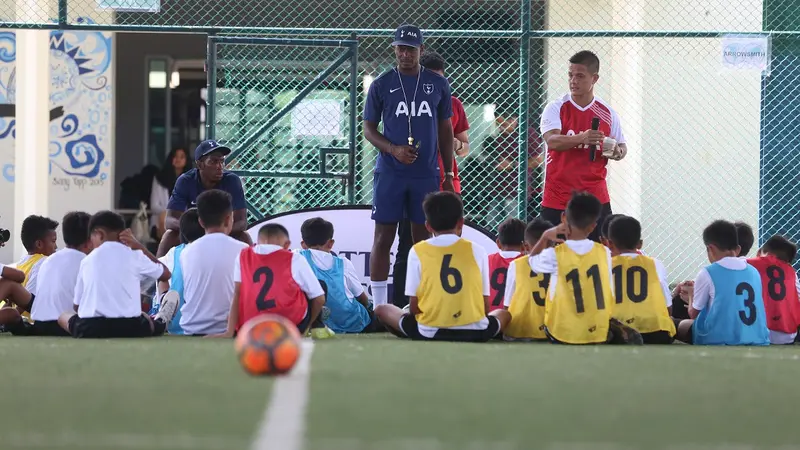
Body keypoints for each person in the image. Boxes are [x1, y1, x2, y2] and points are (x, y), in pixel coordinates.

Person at [363, 24, 455, 310]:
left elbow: (445, 130)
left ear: (421, 50)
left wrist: (449, 173)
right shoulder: (381, 83)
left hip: (425, 173)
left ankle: (420, 303)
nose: (405, 53)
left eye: (411, 49)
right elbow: (368, 128)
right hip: (390, 171)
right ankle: (379, 307)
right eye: (401, 48)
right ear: (394, 49)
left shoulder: (438, 84)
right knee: (383, 237)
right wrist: (393, 149)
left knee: (422, 240)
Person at [374, 192, 511, 342]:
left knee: (382, 309)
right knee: (504, 314)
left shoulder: (418, 250)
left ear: (428, 226)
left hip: (429, 331)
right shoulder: (478, 250)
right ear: (461, 223)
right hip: (477, 331)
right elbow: (485, 304)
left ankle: (410, 332)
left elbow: (414, 306)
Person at [391, 51, 471, 308]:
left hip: (447, 183)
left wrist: (454, 143)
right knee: (408, 243)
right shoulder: (404, 102)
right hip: (414, 181)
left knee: (450, 244)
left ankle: (451, 302)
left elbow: (465, 146)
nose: (439, 84)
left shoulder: (453, 104)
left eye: (442, 79)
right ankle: (405, 303)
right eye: (433, 78)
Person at [529, 192, 642, 345]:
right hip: (597, 332)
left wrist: (545, 236)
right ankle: (609, 329)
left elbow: (532, 261)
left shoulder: (555, 254)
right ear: (593, 226)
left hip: (561, 333)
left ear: (563, 218)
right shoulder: (605, 252)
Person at [539, 50, 627, 242]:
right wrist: (582, 138)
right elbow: (552, 141)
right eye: (570, 75)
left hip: (595, 197)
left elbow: (621, 148)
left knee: (603, 252)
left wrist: (615, 151)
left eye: (580, 76)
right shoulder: (556, 107)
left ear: (594, 78)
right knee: (553, 256)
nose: (573, 81)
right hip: (558, 196)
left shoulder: (607, 113)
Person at [58, 211, 179, 338]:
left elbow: (77, 306)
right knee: (145, 320)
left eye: (91, 237)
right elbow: (165, 274)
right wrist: (139, 246)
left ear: (99, 234)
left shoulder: (87, 260)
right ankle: (161, 320)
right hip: (130, 327)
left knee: (63, 316)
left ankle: (154, 320)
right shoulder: (134, 255)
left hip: (91, 328)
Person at [212, 224, 330, 339]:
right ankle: (316, 327)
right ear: (287, 244)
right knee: (319, 286)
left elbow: (237, 294)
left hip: (249, 326)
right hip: (289, 326)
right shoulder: (294, 258)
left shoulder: (243, 255)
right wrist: (305, 327)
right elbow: (319, 298)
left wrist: (229, 331)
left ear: (256, 243)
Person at [675, 220, 769, 346]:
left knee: (675, 324)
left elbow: (693, 314)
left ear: (711, 248)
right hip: (757, 338)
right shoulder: (754, 272)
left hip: (717, 338)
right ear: (738, 249)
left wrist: (692, 295)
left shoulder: (708, 272)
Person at [0, 212, 93, 336]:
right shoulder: (46, 261)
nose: (55, 246)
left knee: (11, 311)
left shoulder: (48, 260)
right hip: (57, 323)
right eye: (53, 241)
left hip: (39, 320)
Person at [157, 139, 252, 258]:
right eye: (213, 161)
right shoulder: (185, 181)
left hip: (223, 232)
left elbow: (242, 222)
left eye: (222, 161)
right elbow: (169, 220)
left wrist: (215, 231)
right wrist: (198, 229)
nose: (219, 166)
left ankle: (253, 274)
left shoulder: (232, 181)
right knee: (169, 235)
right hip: (195, 233)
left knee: (244, 237)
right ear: (200, 164)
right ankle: (160, 274)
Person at [178, 190, 249, 336]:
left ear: (201, 222)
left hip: (192, 328)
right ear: (229, 218)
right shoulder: (244, 250)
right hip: (230, 329)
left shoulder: (186, 252)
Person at [607, 216, 675, 344]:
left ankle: (624, 333)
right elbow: (668, 307)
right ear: (640, 244)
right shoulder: (656, 264)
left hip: (620, 325)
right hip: (657, 331)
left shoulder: (604, 265)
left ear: (609, 243)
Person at [298, 217, 374, 334]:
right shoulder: (344, 263)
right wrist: (371, 308)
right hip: (353, 323)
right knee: (383, 315)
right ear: (331, 243)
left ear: (303, 244)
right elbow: (361, 297)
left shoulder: (297, 257)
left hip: (316, 322)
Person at [149, 208, 204, 335]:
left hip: (174, 326)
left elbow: (157, 270)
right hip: (207, 326)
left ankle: (163, 304)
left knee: (162, 277)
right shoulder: (214, 251)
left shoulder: (174, 253)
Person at [502, 218, 553, 341]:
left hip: (520, 331)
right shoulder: (561, 264)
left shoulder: (516, 264)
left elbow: (507, 305)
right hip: (553, 331)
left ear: (525, 246)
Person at [0, 215, 59, 319]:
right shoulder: (44, 262)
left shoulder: (21, 262)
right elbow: (27, 301)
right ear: (39, 244)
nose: (56, 247)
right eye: (53, 241)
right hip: (31, 319)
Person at [746, 235, 800, 345]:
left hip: (754, 333)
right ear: (788, 262)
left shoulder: (748, 264)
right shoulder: (792, 272)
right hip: (787, 336)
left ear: (760, 251)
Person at [150, 147, 192, 239]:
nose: (178, 160)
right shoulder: (159, 178)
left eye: (182, 157)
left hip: (183, 219)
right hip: (162, 220)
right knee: (164, 218)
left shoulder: (191, 180)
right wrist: (170, 212)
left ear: (186, 160)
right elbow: (154, 206)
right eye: (175, 156)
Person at [488, 218, 527, 312]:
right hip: (516, 316)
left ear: (498, 243)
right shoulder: (527, 263)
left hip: (490, 316)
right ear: (525, 245)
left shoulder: (487, 260)